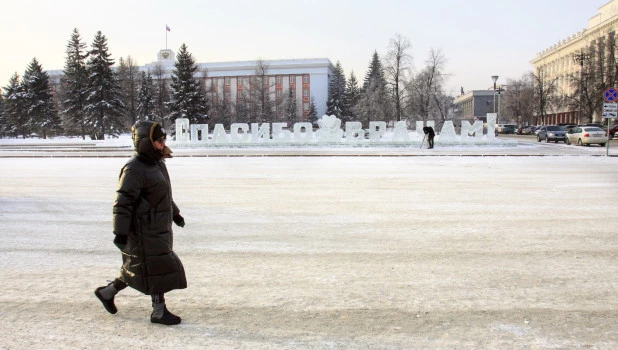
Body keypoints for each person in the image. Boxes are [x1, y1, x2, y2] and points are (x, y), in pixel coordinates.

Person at [95, 121, 187, 325]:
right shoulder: (134, 169)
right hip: (143, 230)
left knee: (139, 266)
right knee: (156, 268)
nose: (163, 144)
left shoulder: (157, 163)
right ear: (146, 142)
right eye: (159, 140)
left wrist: (175, 214)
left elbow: (163, 196)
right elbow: (123, 202)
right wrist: (120, 233)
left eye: (164, 140)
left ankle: (107, 292)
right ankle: (158, 312)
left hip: (158, 228)